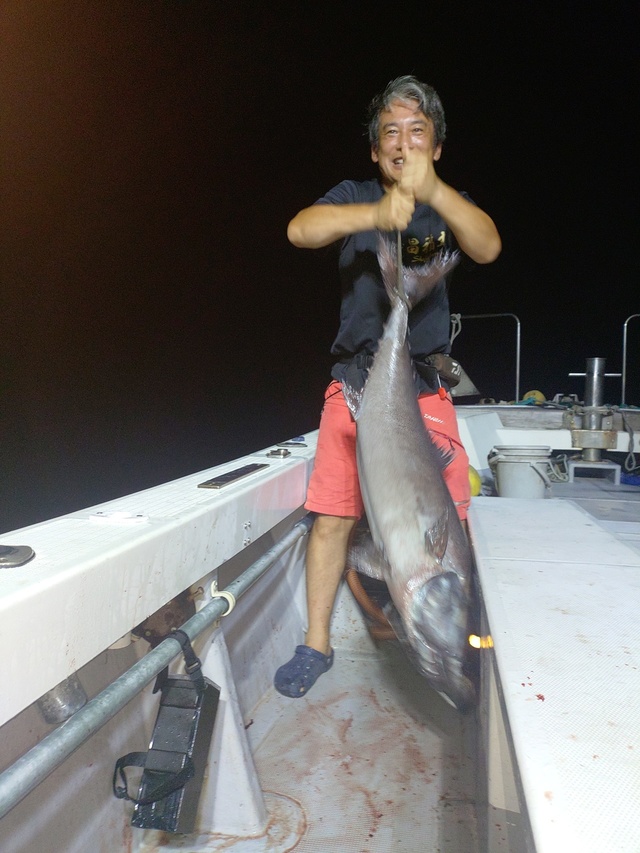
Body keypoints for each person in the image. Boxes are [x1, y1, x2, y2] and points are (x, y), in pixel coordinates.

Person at [274, 75, 501, 698]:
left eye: (417, 131)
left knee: (450, 517)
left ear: (437, 145)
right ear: (375, 151)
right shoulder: (355, 195)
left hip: (422, 385)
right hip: (355, 382)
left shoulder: (448, 204)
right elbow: (300, 229)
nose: (403, 143)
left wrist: (434, 191)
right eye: (390, 134)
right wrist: (376, 215)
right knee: (332, 517)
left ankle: (464, 639)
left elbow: (486, 245)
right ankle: (316, 642)